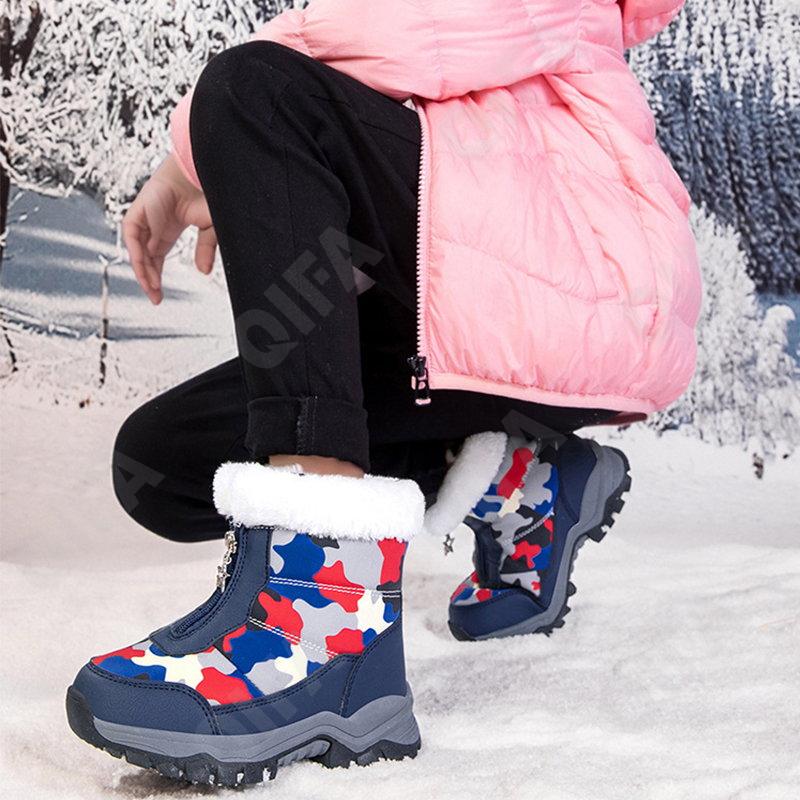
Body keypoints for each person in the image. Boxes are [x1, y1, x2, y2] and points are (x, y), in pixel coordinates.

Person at [66, 0, 699, 786]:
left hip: (587, 293)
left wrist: (193, 154)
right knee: (161, 462)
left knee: (253, 86)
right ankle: (526, 484)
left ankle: (325, 627)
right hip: (477, 318)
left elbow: (398, 30)